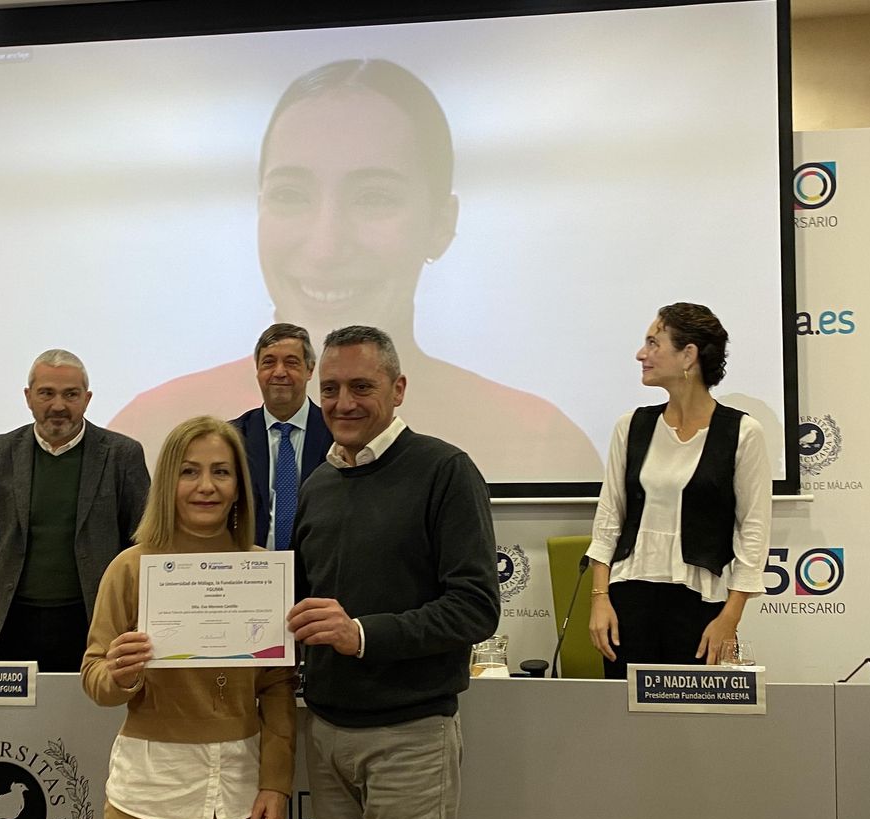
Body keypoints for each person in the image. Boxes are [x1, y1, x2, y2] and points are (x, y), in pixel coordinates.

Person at [109, 58, 601, 484]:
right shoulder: (151, 428)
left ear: (441, 224)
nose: (325, 248)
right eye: (291, 195)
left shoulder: (539, 440)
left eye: (373, 197)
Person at [287, 325, 500, 819]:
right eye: (329, 389)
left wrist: (361, 634)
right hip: (327, 735)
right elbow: (301, 606)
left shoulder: (445, 472)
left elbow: (476, 608)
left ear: (398, 388)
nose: (343, 403)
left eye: (361, 386)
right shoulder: (319, 485)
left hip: (410, 739)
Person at [81, 416, 296, 819]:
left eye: (221, 472)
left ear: (240, 485)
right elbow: (94, 677)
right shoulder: (130, 568)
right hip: (155, 797)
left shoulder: (263, 571)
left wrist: (276, 783)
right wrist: (120, 673)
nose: (206, 487)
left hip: (244, 798)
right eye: (189, 472)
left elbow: (278, 687)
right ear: (166, 483)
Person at [585, 303, 772, 678]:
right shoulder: (631, 426)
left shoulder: (742, 433)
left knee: (694, 724)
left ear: (688, 354)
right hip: (627, 601)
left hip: (701, 607)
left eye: (654, 343)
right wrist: (600, 598)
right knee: (629, 722)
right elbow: (609, 519)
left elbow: (753, 532)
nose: (642, 354)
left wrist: (730, 618)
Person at [0, 349, 150, 672]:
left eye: (71, 394)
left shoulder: (123, 455)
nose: (58, 406)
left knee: (88, 720)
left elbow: (141, 548)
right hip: (15, 622)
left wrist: (133, 622)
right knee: (16, 722)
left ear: (87, 398)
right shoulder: (0, 453)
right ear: (28, 397)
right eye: (46, 393)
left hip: (94, 622)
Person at [229, 323, 334, 550]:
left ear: (309, 370)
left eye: (291, 362)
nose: (279, 372)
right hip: (250, 571)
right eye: (268, 362)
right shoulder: (233, 438)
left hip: (318, 572)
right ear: (257, 370)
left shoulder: (336, 433)